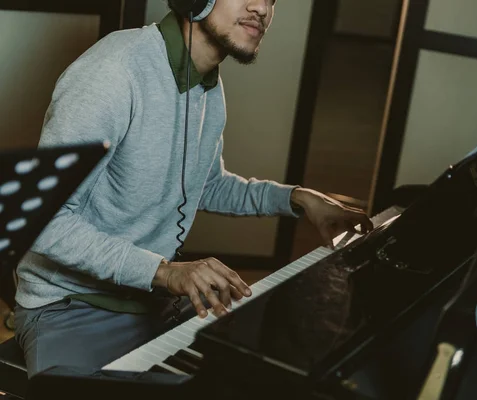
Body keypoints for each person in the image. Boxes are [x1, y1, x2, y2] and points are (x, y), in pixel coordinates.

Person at [13, 0, 373, 377]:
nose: (261, 9)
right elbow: (42, 220)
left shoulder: (208, 88)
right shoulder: (113, 72)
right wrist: (167, 272)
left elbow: (205, 185)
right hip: (71, 306)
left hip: (153, 299)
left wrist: (298, 198)